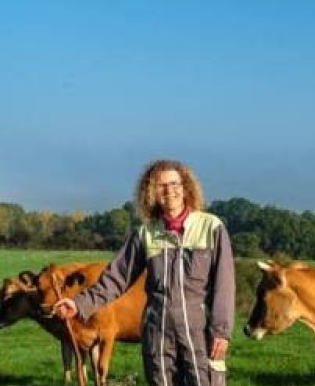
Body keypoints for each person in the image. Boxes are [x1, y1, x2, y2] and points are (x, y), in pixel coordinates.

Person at [52, 159, 235, 386]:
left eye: (175, 183)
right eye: (161, 185)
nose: (170, 190)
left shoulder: (211, 227)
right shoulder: (145, 234)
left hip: (199, 331)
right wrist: (79, 304)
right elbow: (114, 279)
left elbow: (224, 285)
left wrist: (221, 331)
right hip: (157, 332)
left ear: (186, 186)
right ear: (150, 192)